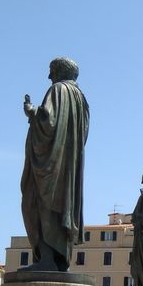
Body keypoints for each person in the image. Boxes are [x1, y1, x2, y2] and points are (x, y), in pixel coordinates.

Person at [21, 57, 90, 272]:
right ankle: (59, 259)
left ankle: (48, 259)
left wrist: (32, 112)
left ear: (60, 71)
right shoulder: (81, 99)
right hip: (70, 167)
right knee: (61, 209)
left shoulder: (58, 90)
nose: (49, 76)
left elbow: (48, 121)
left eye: (51, 71)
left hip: (51, 165)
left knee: (38, 203)